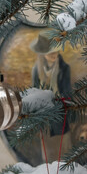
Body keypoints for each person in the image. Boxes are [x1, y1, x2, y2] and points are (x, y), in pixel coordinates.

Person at [30, 33, 72, 161]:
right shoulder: (36, 70)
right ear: (43, 54)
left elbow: (67, 93)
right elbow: (34, 92)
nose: (54, 55)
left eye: (56, 52)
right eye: (50, 53)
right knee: (48, 153)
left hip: (61, 113)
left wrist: (58, 104)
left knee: (64, 150)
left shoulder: (64, 69)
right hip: (44, 116)